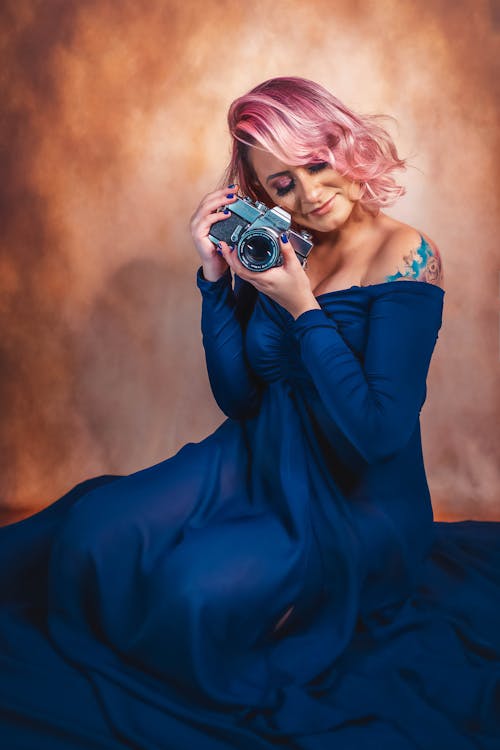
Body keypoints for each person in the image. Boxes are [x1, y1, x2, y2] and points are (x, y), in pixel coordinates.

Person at [0, 76, 498, 750]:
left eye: (316, 164)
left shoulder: (408, 256)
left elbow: (379, 433)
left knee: (194, 595)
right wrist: (215, 281)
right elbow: (240, 396)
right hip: (255, 452)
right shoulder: (277, 243)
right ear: (263, 196)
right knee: (94, 532)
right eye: (281, 184)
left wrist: (302, 309)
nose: (310, 194)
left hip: (357, 496)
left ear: (344, 147)